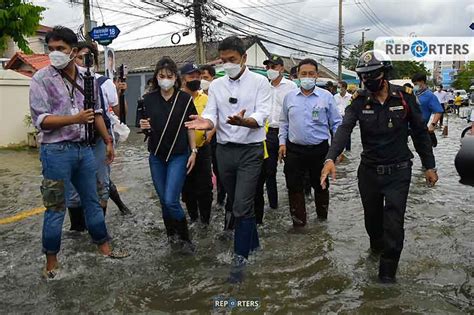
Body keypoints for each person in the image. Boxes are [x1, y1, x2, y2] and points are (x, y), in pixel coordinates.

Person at [321, 50, 438, 283]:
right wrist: (330, 157)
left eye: (372, 75)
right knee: (372, 222)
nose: (367, 80)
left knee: (394, 226)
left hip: (399, 171)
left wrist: (429, 166)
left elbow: (419, 133)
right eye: (364, 76)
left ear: (384, 73)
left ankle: (386, 277)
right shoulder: (358, 101)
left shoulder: (404, 97)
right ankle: (375, 250)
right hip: (369, 172)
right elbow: (344, 129)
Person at [29, 26, 129, 279]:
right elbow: (40, 120)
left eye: (60, 49)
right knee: (55, 208)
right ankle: (51, 265)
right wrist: (73, 118)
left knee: (93, 202)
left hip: (85, 150)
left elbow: (95, 113)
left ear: (73, 51)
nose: (55, 54)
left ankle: (105, 250)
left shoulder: (88, 78)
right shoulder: (41, 79)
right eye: (50, 49)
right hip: (55, 151)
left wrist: (107, 141)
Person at [185, 36, 271, 282]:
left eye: (232, 60)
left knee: (241, 206)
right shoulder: (217, 86)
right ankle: (253, 246)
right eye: (223, 61)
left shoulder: (260, 82)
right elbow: (211, 113)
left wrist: (245, 121)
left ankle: (238, 264)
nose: (228, 64)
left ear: (243, 58)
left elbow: (262, 113)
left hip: (250, 151)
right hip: (223, 152)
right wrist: (206, 122)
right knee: (236, 203)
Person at [67, 42, 131, 232]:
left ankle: (97, 229)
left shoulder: (103, 83)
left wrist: (120, 93)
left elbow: (118, 112)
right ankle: (77, 230)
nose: (83, 62)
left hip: (97, 140)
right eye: (79, 57)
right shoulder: (63, 82)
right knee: (73, 190)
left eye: (87, 58)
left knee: (102, 184)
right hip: (72, 141)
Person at [139, 57, 197, 252]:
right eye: (161, 76)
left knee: (172, 199)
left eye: (169, 76)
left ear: (175, 78)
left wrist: (194, 151)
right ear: (156, 77)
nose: (165, 79)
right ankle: (171, 236)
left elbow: (190, 127)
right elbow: (143, 127)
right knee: (164, 200)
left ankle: (185, 239)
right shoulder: (147, 100)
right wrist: (143, 126)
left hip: (179, 154)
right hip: (156, 156)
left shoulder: (185, 99)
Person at [278, 58, 342, 227]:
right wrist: (282, 143)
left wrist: (337, 149)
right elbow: (284, 122)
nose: (307, 77)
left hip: (319, 150)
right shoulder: (289, 97)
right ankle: (299, 226)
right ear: (297, 75)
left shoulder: (326, 97)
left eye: (311, 74)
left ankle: (322, 222)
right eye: (303, 74)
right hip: (294, 150)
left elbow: (336, 124)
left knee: (321, 185)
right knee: (294, 187)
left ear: (317, 75)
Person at [180, 63, 214, 225]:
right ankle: (193, 218)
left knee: (205, 186)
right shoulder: (177, 100)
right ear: (183, 79)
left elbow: (215, 119)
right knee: (187, 187)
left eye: (198, 76)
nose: (195, 79)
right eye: (191, 76)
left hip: (203, 148)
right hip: (182, 151)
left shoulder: (206, 99)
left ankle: (206, 221)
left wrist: (210, 133)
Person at [263, 55, 298, 209]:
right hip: (268, 133)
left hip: (288, 133)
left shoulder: (291, 87)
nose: (270, 70)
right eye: (268, 67)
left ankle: (297, 203)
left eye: (274, 67)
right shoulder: (263, 86)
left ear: (281, 68)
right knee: (268, 172)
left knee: (291, 171)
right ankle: (273, 206)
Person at [200, 65, 226, 207]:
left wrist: (211, 133)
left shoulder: (218, 94)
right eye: (201, 77)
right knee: (204, 171)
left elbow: (220, 117)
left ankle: (221, 198)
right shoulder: (197, 95)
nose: (203, 80)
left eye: (206, 78)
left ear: (212, 78)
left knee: (218, 169)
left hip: (216, 138)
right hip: (201, 139)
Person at [411, 73, 443, 147]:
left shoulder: (430, 96)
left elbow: (438, 111)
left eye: (416, 84)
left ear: (422, 82)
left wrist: (432, 125)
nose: (414, 86)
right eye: (413, 84)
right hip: (408, 128)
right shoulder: (413, 93)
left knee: (425, 153)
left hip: (421, 129)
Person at [334, 80, 352, 151]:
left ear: (344, 88)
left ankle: (348, 150)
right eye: (337, 87)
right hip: (337, 118)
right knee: (335, 135)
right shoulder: (335, 97)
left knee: (347, 135)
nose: (338, 89)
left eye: (339, 87)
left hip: (346, 118)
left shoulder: (350, 97)